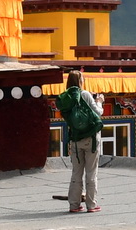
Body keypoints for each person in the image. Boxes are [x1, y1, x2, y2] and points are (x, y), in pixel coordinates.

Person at [56, 70, 104, 213]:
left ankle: (74, 205)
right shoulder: (85, 94)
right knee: (91, 173)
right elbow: (98, 113)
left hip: (75, 140)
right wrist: (99, 101)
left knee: (76, 173)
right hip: (91, 139)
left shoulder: (66, 98)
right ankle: (91, 204)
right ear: (80, 81)